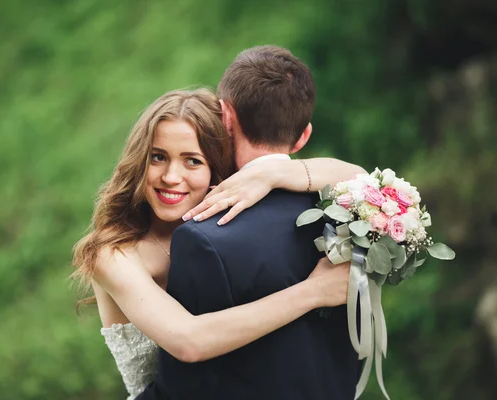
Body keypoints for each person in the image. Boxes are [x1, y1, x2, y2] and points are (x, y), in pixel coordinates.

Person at [72, 87, 363, 400]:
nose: (171, 176)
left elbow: (358, 177)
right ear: (139, 161)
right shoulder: (112, 253)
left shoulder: (228, 229)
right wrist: (313, 292)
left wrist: (273, 174)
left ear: (216, 165)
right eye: (158, 157)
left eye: (192, 161)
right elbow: (188, 341)